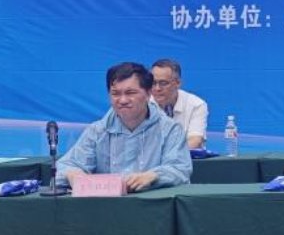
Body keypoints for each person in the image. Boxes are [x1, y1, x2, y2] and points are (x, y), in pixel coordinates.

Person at [59, 61, 192, 191]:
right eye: (115, 94)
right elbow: (67, 165)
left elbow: (180, 169)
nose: (122, 100)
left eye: (130, 93)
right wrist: (73, 174)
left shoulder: (170, 129)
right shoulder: (97, 131)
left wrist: (153, 176)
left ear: (148, 93)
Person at [150, 58, 208, 150]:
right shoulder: (143, 103)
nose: (157, 88)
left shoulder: (196, 105)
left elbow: (195, 141)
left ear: (178, 83)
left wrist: (166, 154)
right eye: (153, 83)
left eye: (163, 83)